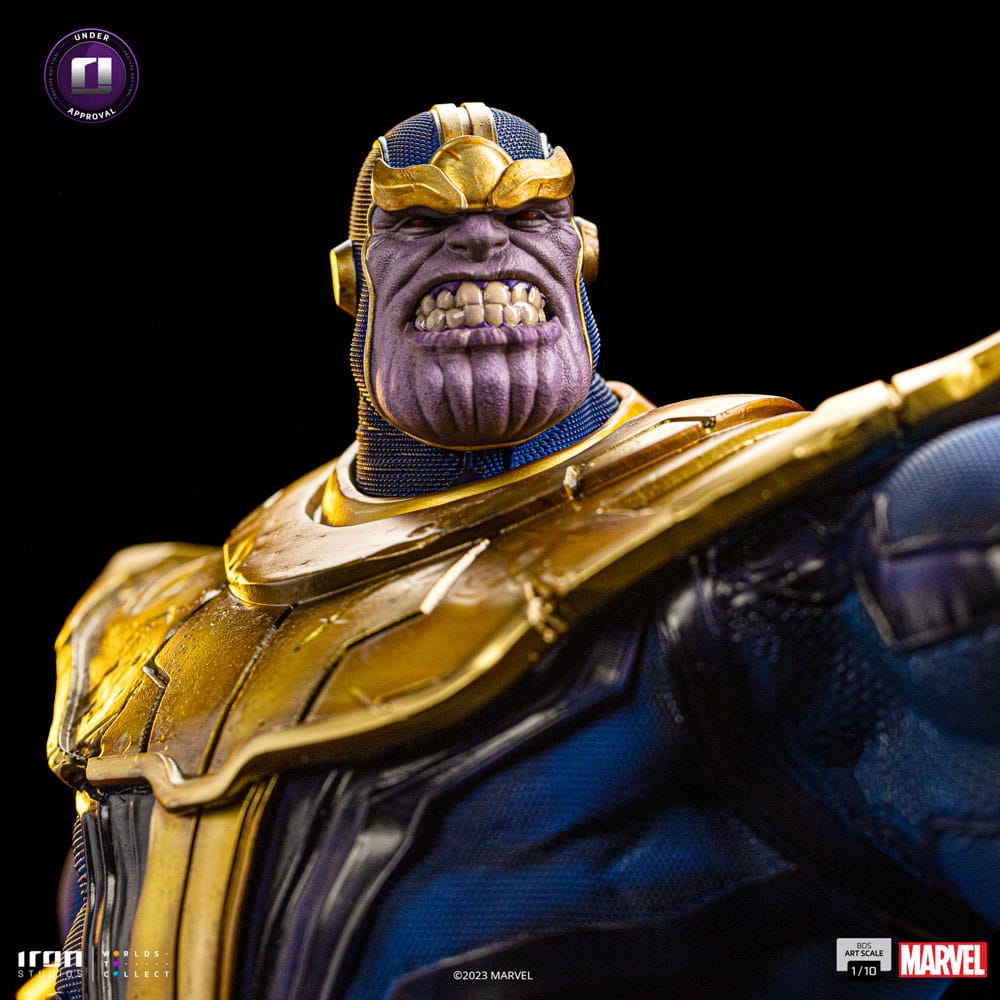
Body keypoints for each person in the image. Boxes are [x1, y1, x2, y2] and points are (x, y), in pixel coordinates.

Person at [23, 102, 998, 1000]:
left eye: (530, 215)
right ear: (352, 277)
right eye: (421, 221)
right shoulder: (158, 624)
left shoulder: (753, 552)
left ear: (581, 250)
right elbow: (91, 959)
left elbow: (943, 927)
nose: (483, 240)